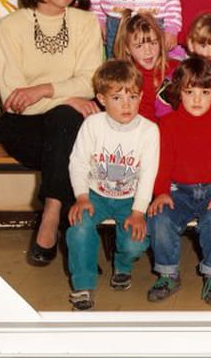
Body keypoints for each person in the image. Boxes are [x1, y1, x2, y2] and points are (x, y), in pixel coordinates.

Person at [0, 0, 103, 266]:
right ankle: (77, 236)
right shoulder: (10, 26)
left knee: (65, 121)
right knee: (67, 126)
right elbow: (14, 98)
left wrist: (44, 90)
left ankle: (52, 211)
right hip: (23, 126)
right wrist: (67, 97)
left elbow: (91, 81)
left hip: (68, 126)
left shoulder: (86, 22)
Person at [65, 59, 159, 311]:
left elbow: (148, 174)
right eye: (117, 98)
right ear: (101, 99)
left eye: (132, 97)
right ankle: (83, 285)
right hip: (95, 194)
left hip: (131, 199)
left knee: (135, 242)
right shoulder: (92, 125)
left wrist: (138, 212)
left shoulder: (149, 131)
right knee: (79, 227)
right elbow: (78, 163)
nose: (126, 105)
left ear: (141, 96)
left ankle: (122, 265)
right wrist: (82, 197)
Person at [146, 56, 211, 305]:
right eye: (189, 92)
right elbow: (163, 164)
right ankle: (168, 274)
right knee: (160, 219)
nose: (197, 99)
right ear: (178, 92)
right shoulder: (168, 124)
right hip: (178, 191)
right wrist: (161, 192)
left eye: (204, 92)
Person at [112, 10, 178, 123]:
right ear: (127, 48)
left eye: (153, 43)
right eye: (139, 46)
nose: (148, 52)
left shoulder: (177, 69)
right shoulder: (123, 77)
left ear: (160, 42)